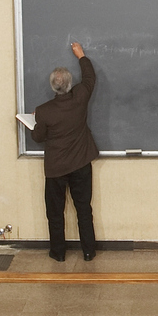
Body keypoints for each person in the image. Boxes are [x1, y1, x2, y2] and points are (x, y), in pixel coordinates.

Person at [31, 41, 99, 262]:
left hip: (56, 169)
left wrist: (35, 123)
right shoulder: (80, 97)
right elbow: (89, 77)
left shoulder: (44, 111)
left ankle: (58, 253)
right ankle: (88, 251)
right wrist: (81, 56)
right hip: (81, 164)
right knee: (83, 209)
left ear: (53, 87)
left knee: (55, 213)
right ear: (71, 84)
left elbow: (38, 137)